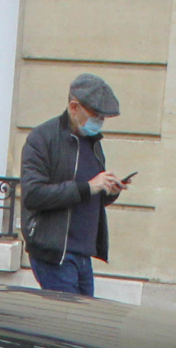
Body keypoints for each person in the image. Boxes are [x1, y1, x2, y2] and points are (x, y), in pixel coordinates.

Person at [21, 74, 124, 296]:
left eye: (103, 117)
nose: (99, 122)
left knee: (82, 324)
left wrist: (109, 190)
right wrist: (88, 187)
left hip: (83, 254)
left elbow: (89, 194)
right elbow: (33, 194)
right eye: (95, 115)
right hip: (55, 253)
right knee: (67, 322)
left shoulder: (93, 143)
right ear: (74, 107)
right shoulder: (42, 138)